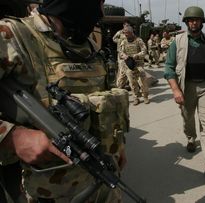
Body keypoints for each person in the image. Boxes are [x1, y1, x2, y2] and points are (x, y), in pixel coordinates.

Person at [0, 0, 129, 202]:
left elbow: (102, 102)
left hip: (103, 182)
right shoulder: (13, 35)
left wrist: (116, 145)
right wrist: (11, 136)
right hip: (52, 193)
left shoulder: (87, 44)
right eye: (98, 2)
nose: (101, 11)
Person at [164, 6, 205, 178]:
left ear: (202, 22)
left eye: (197, 20)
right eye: (190, 20)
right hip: (186, 87)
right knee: (187, 118)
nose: (194, 22)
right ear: (186, 22)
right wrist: (175, 89)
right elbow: (169, 68)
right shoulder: (177, 41)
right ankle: (190, 138)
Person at [116, 26, 150, 105]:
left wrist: (137, 55)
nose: (125, 35)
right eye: (124, 34)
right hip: (129, 64)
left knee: (142, 80)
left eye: (127, 34)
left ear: (131, 33)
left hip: (138, 64)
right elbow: (120, 51)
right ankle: (136, 97)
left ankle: (145, 97)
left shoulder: (138, 41)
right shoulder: (124, 41)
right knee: (132, 82)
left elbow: (144, 50)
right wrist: (124, 56)